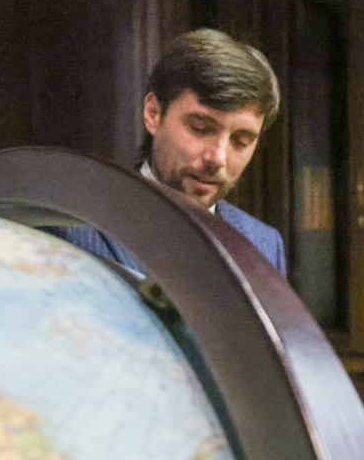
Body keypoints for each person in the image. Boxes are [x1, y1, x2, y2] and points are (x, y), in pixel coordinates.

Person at [51, 28, 287, 275]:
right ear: (153, 113)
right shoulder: (71, 228)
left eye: (240, 141)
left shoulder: (264, 244)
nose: (218, 158)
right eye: (200, 128)